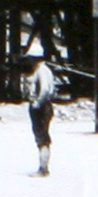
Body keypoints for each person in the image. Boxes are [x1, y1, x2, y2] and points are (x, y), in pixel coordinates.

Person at [26, 41, 59, 177]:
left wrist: (38, 103)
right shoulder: (43, 70)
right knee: (41, 137)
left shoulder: (41, 71)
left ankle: (43, 169)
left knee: (42, 138)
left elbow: (44, 89)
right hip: (43, 105)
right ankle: (43, 167)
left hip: (41, 107)